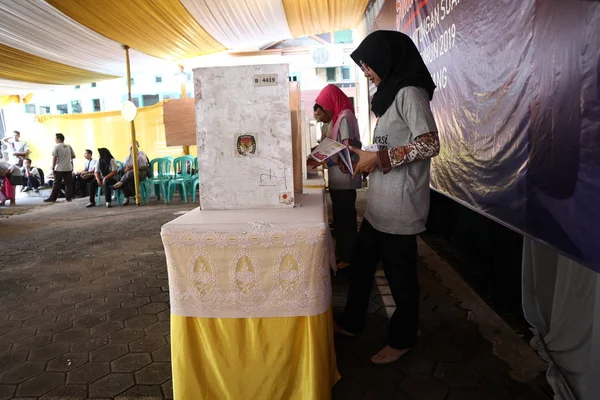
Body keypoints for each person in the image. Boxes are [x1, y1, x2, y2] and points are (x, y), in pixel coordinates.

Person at [335, 31, 441, 365]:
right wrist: (363, 157)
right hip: (379, 205)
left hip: (400, 206)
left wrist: (378, 160)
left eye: (368, 64)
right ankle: (352, 322)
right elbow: (389, 147)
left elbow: (429, 144)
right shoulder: (389, 97)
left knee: (401, 278)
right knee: (363, 267)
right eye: (363, 65)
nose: (366, 71)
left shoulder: (410, 92)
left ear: (388, 58)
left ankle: (402, 338)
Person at [312, 85, 362, 269]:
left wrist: (326, 157)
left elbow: (347, 148)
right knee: (340, 218)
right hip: (338, 177)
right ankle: (344, 253)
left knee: (346, 218)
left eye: (321, 111)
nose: (321, 116)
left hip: (345, 178)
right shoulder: (337, 118)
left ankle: (349, 258)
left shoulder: (345, 117)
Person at [44, 133, 76, 203]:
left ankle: (53, 198)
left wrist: (52, 167)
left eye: (55, 138)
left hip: (59, 168)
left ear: (58, 139)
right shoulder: (68, 146)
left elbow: (54, 158)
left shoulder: (56, 147)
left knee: (56, 183)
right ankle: (69, 198)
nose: (55, 140)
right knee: (68, 183)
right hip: (68, 168)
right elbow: (73, 156)